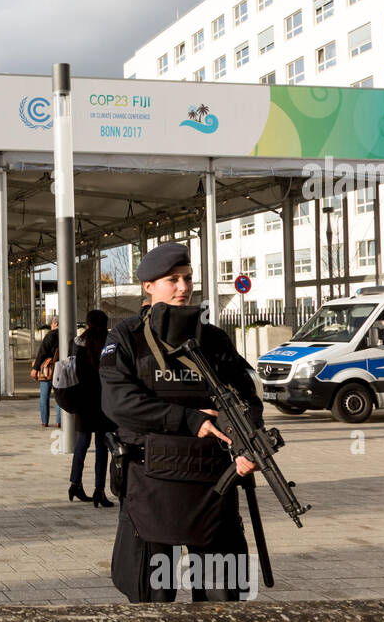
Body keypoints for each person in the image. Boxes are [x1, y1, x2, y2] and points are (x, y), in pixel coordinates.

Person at [99, 242, 262, 603]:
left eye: (187, 279)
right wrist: (187, 419)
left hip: (213, 484)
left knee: (222, 603)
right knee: (152, 600)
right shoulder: (126, 338)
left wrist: (249, 444)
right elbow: (118, 404)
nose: (184, 288)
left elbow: (247, 399)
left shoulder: (214, 340)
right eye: (172, 280)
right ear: (148, 286)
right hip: (152, 483)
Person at [68, 309, 113, 507]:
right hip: (104, 400)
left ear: (87, 324)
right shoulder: (111, 343)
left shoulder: (77, 343)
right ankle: (99, 490)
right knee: (102, 446)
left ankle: (75, 483)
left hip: (83, 400)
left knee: (82, 442)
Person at [31, 315, 61, 428]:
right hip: (61, 370)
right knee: (59, 397)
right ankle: (59, 421)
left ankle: (45, 421)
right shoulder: (67, 335)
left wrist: (35, 369)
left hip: (47, 371)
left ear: (55, 323)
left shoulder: (50, 336)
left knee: (44, 396)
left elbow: (42, 353)